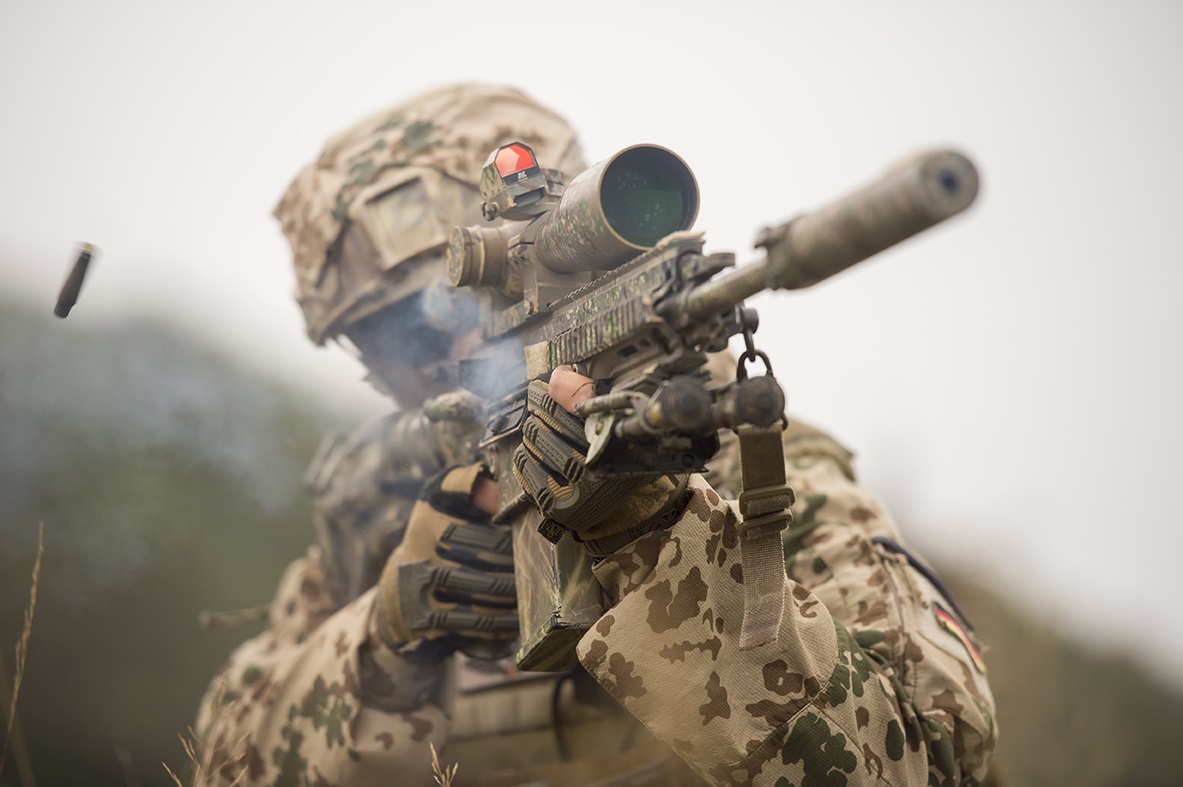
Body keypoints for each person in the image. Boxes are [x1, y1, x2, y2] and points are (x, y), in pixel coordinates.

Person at [194, 84, 997, 786]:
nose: (454, 351)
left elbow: (922, 768)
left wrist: (643, 526)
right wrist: (384, 643)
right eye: (398, 332)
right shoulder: (394, 516)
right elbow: (220, 760)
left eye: (471, 307)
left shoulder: (769, 482)